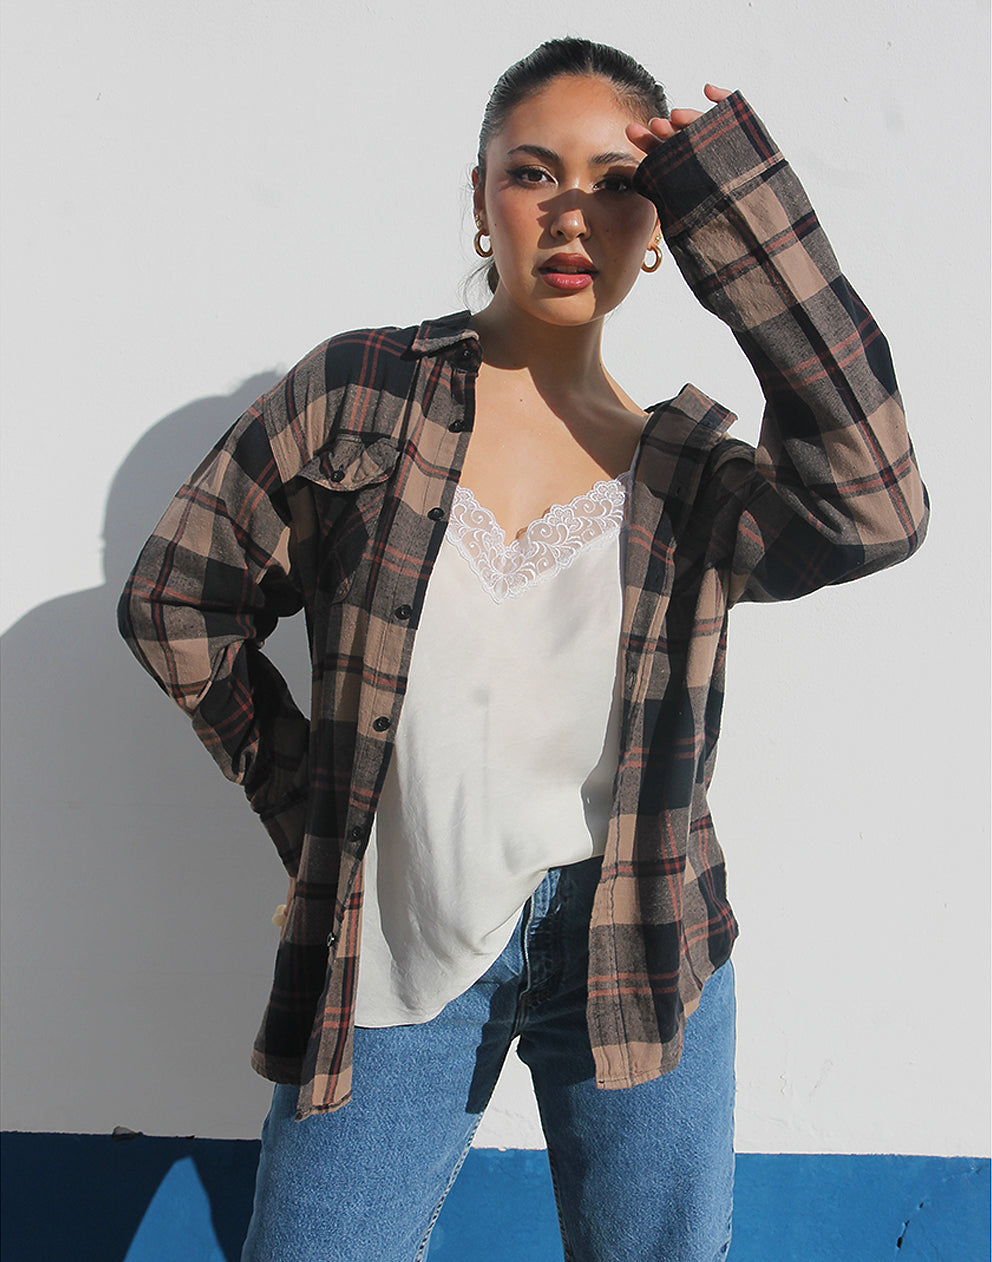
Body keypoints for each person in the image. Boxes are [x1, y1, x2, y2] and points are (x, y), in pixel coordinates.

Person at [118, 36, 928, 1262]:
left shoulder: (685, 477)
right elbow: (176, 599)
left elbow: (876, 503)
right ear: (481, 202)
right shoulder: (362, 395)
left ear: (660, 228)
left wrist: (737, 207)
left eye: (615, 184)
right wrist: (312, 809)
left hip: (638, 932)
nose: (569, 213)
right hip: (395, 934)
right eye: (531, 173)